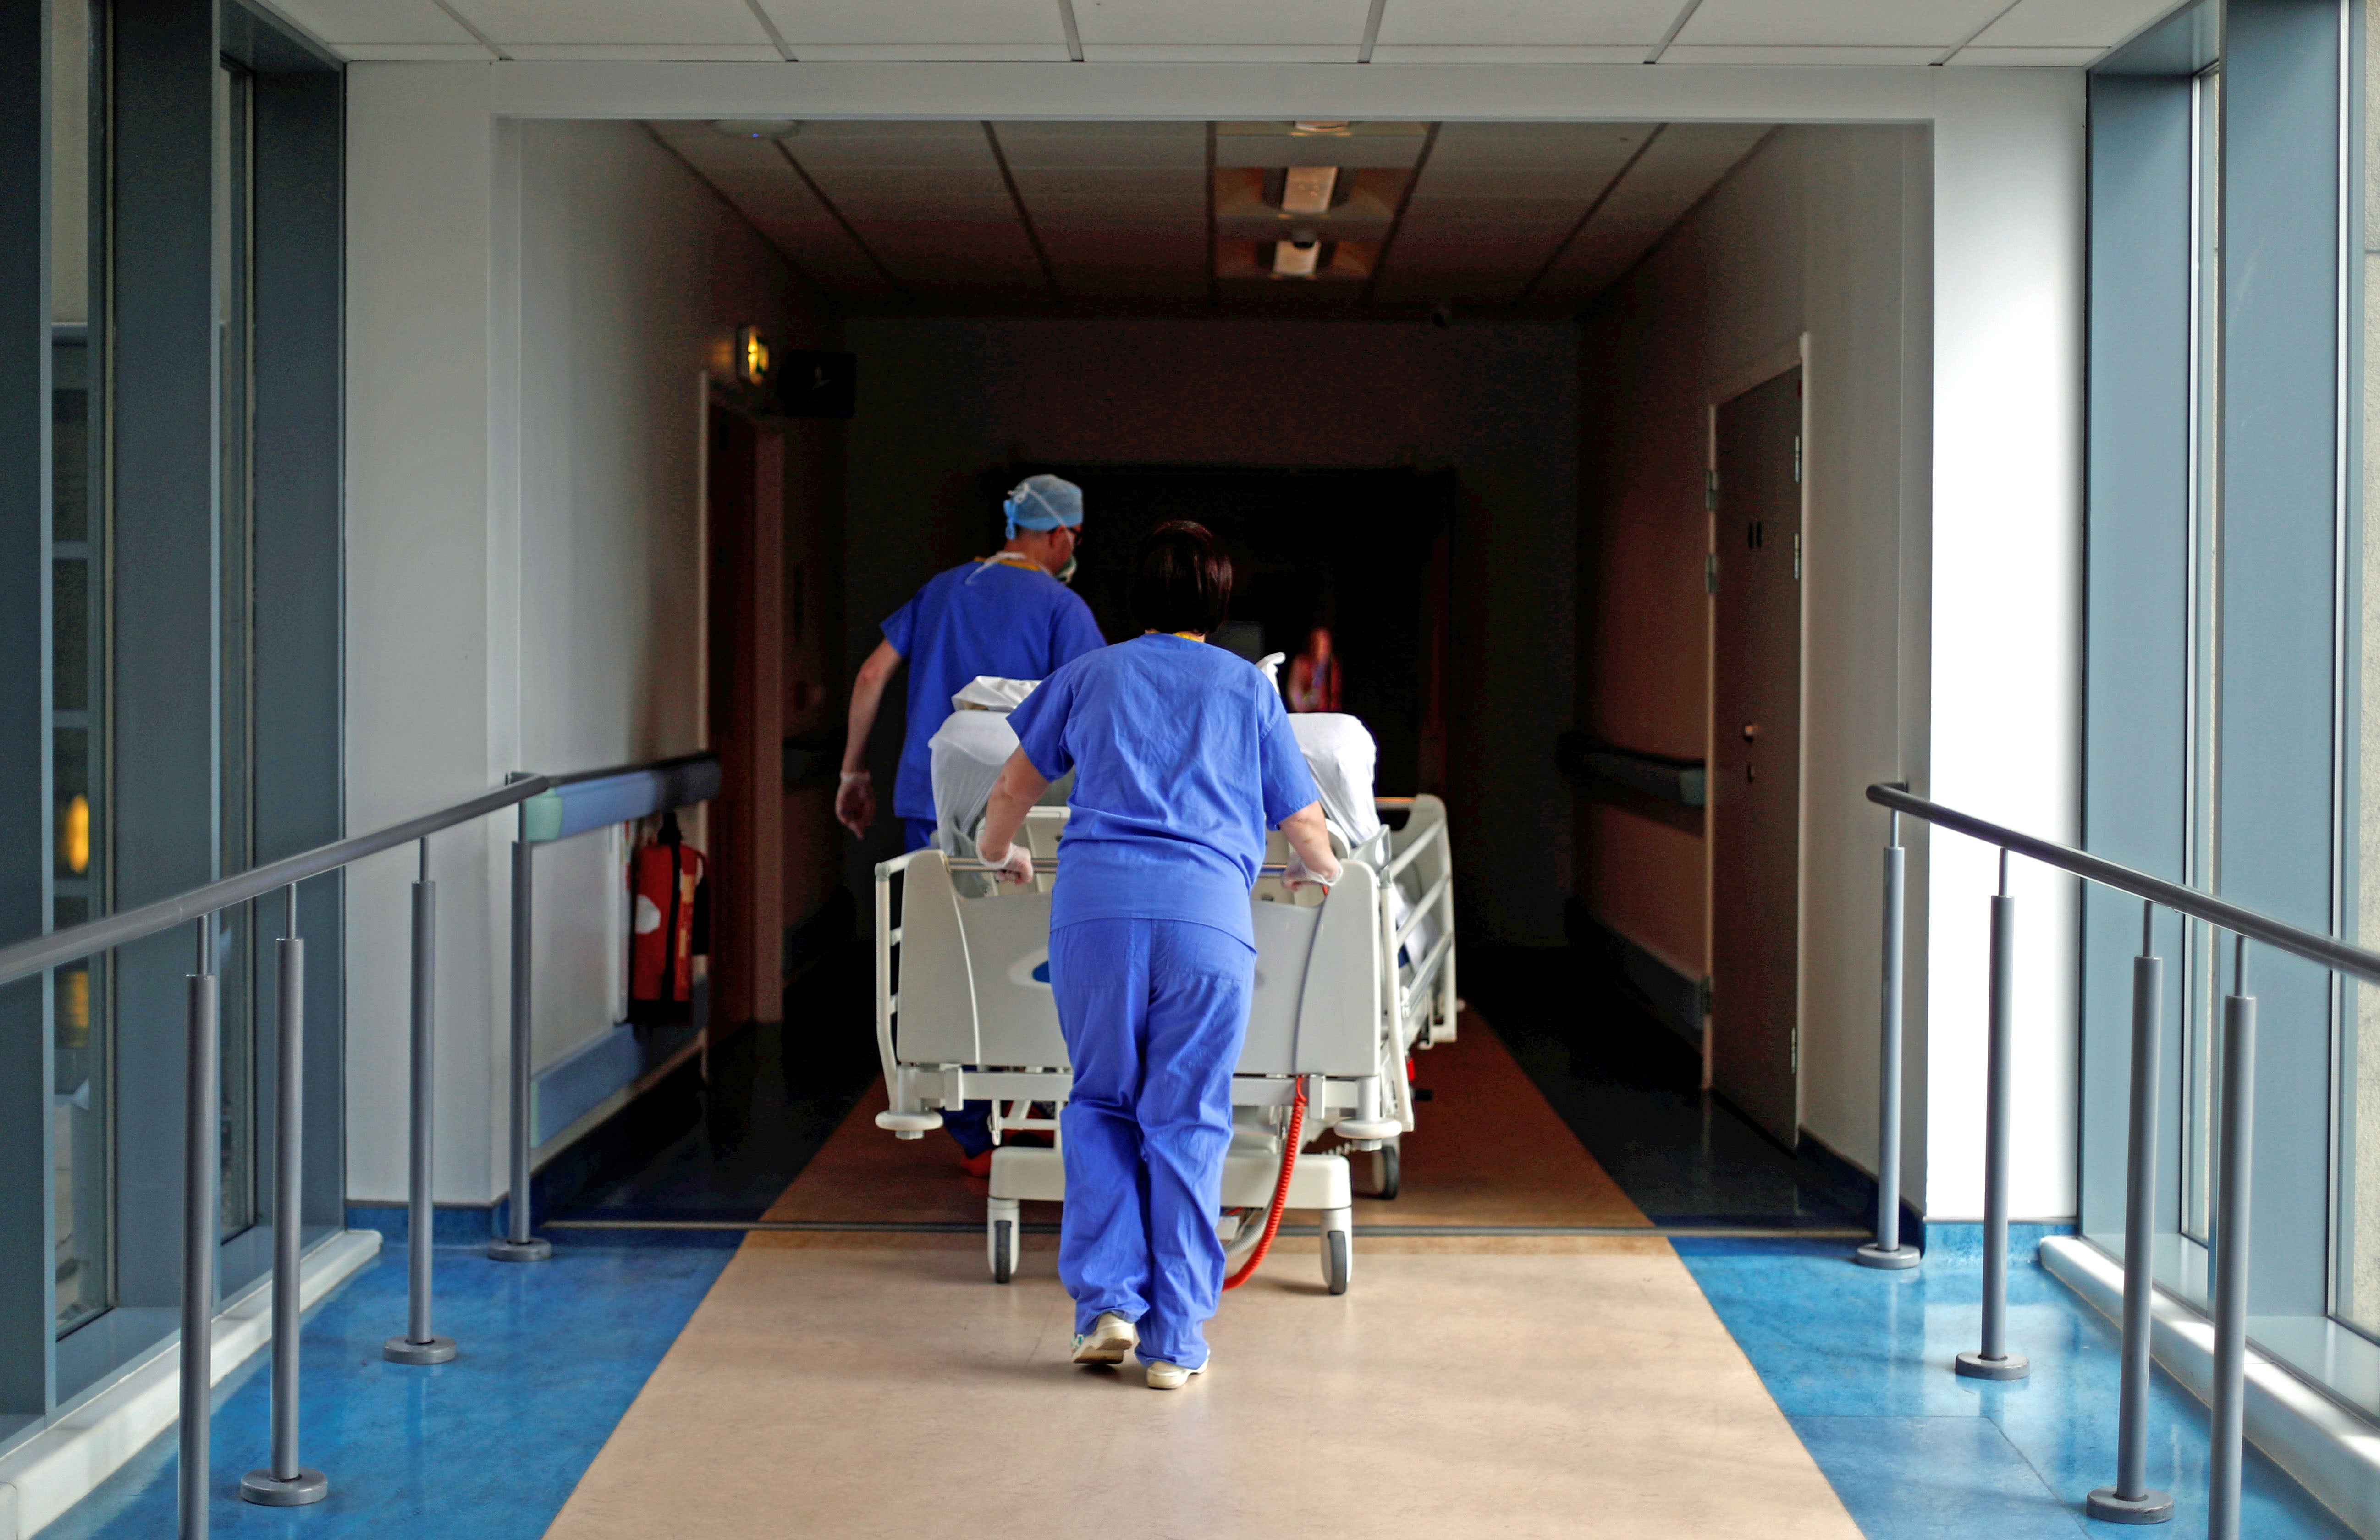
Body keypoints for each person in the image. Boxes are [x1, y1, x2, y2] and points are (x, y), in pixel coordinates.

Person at [976, 521, 1343, 1391]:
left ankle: (1106, 1305)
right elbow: (1305, 827)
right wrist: (1318, 870)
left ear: (1132, 597)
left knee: (1101, 1103)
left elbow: (1007, 790)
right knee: (1184, 1121)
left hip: (1096, 920)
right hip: (1205, 929)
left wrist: (999, 855)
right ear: (1217, 603)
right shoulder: (1246, 691)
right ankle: (1175, 1343)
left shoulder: (1089, 675)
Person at [838, 473, 1106, 1172]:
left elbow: (871, 676)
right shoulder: (1062, 607)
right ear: (1057, 535)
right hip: (1028, 814)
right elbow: (1094, 712)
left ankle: (971, 1132)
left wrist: (852, 772)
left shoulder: (941, 590)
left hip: (932, 801)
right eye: (1072, 536)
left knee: (940, 957)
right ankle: (1041, 1116)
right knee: (1025, 960)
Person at [1284, 625, 1342, 713]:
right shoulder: (1301, 663)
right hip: (1306, 713)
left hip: (1328, 714)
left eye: (1324, 644)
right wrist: (1301, 710)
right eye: (1317, 643)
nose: (1321, 648)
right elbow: (1294, 691)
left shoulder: (1332, 665)